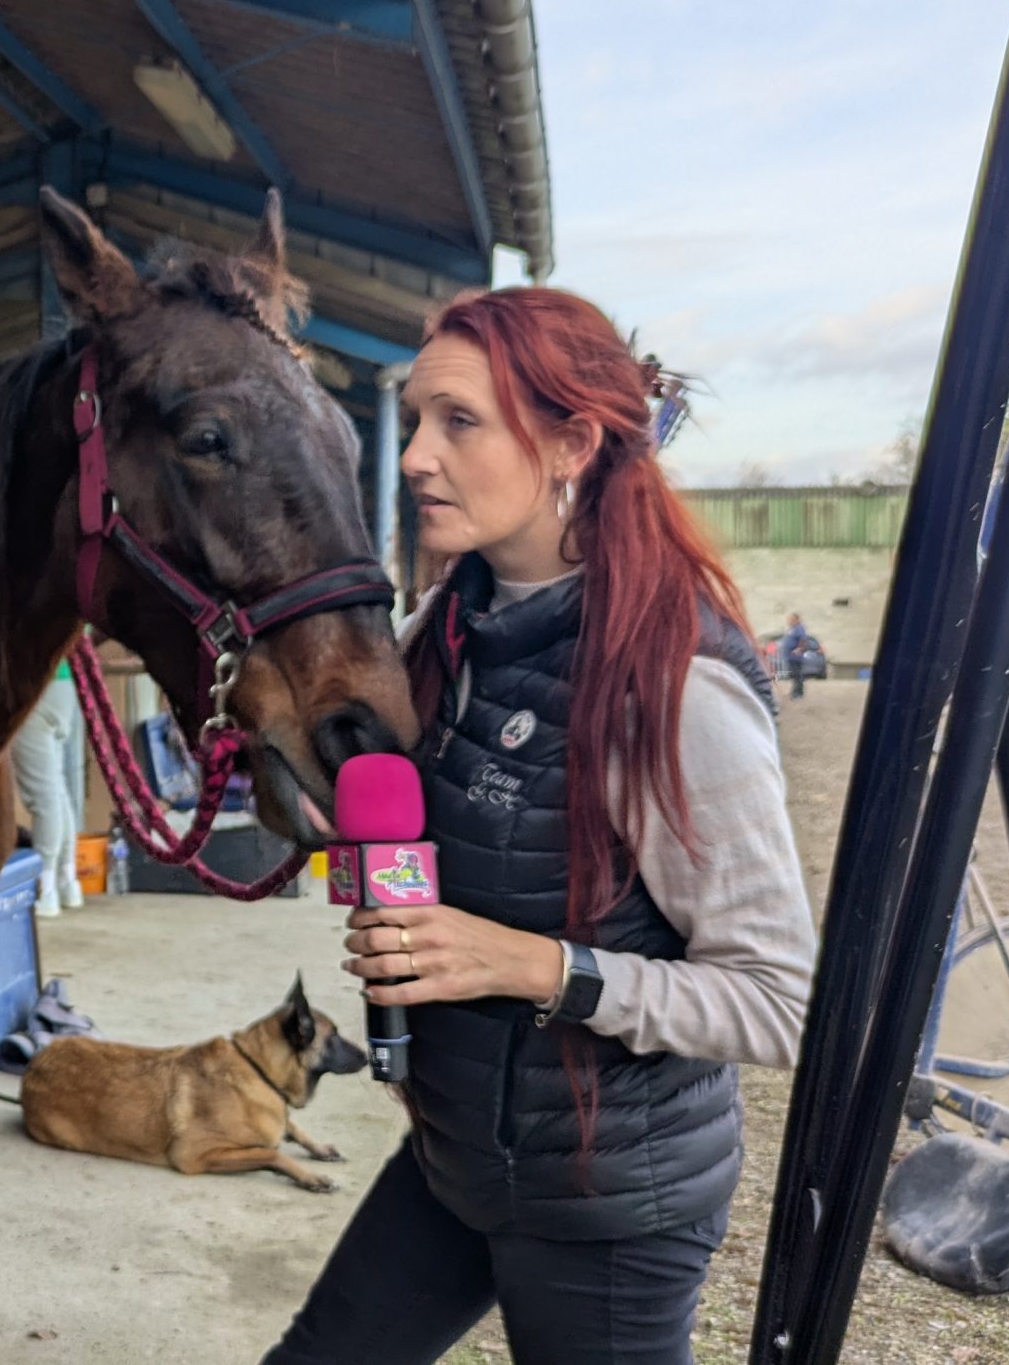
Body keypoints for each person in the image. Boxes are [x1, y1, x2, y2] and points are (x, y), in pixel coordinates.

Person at [265, 288, 816, 1365]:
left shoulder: (675, 686)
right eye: (415, 420)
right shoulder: (441, 627)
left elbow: (776, 1001)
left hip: (608, 1203)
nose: (415, 457)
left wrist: (530, 964)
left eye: (459, 421)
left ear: (571, 444)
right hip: (459, 1155)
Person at [13, 656, 88, 917]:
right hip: (61, 685)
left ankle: (45, 890)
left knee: (43, 795)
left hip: (36, 684)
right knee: (56, 787)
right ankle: (67, 881)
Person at [778, 611, 813, 701]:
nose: (789, 621)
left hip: (795, 657)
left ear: (796, 620)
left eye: (791, 619)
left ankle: (798, 693)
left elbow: (803, 640)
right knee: (794, 675)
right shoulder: (792, 629)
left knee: (797, 675)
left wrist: (799, 649)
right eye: (789, 619)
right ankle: (794, 691)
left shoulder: (799, 628)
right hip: (790, 656)